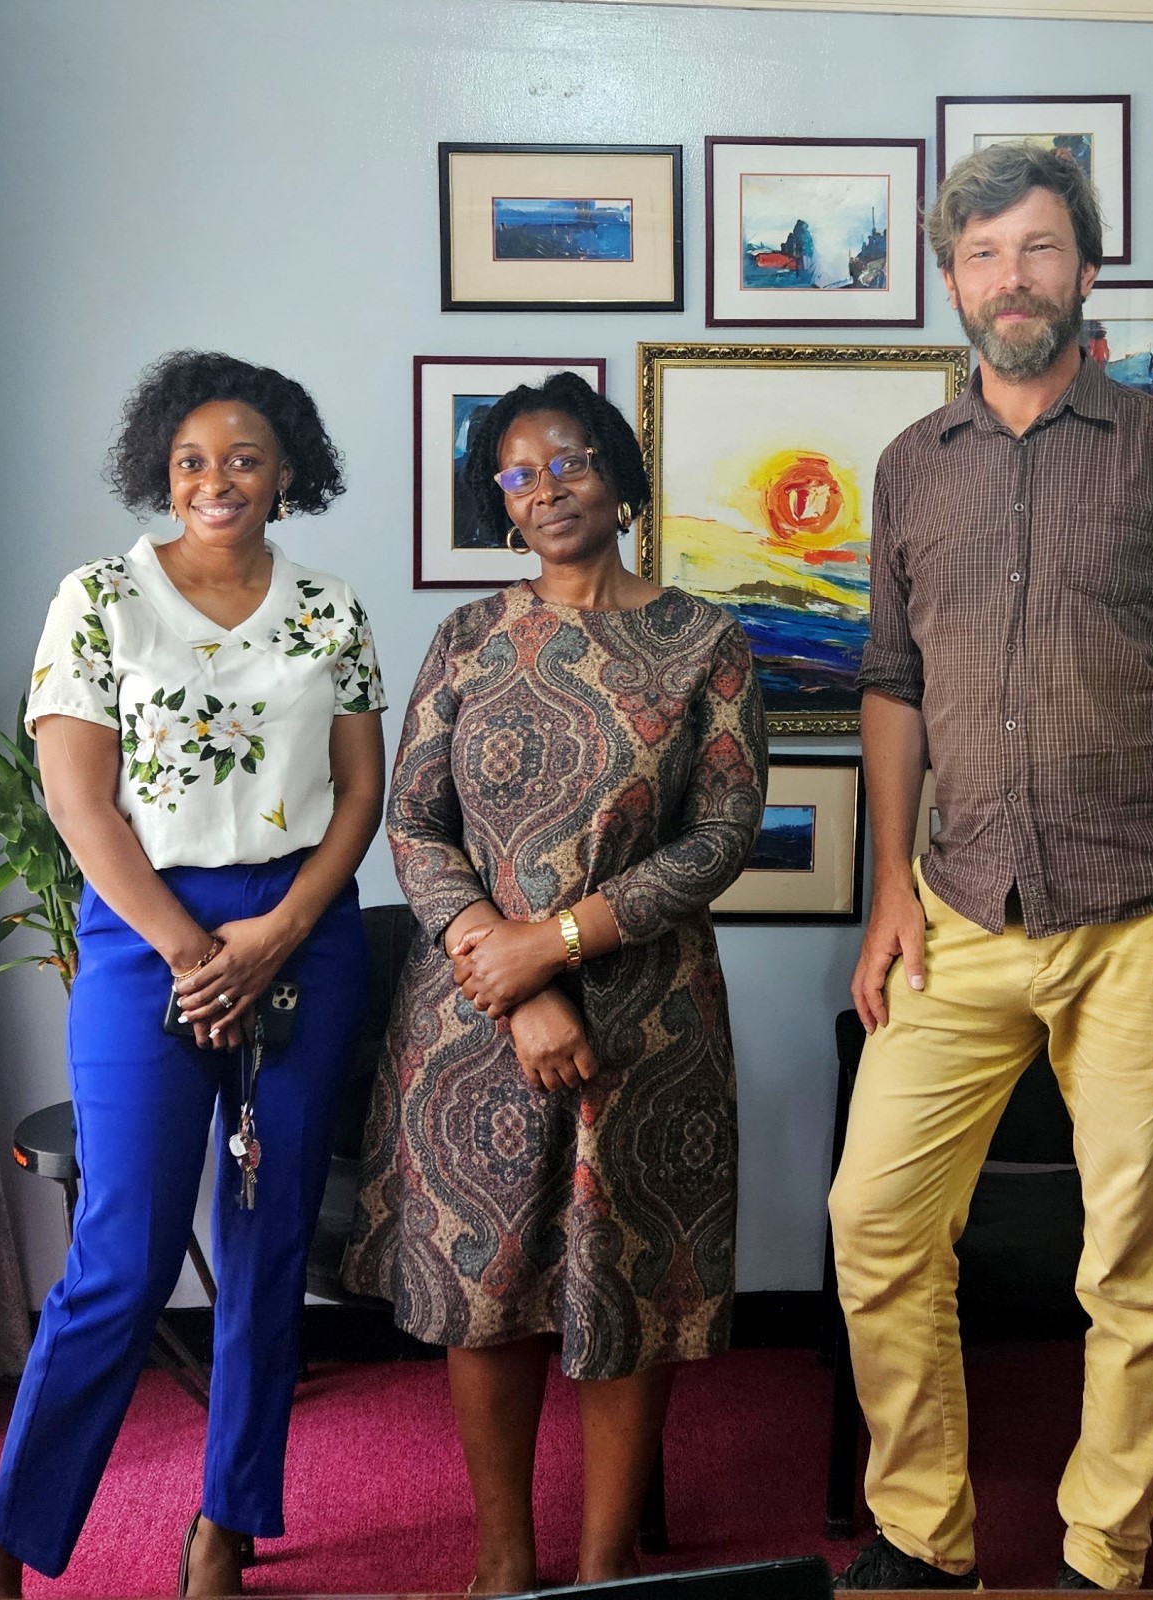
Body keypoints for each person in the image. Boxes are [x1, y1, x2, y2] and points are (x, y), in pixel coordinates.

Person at [828, 145, 1153, 1593]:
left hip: (1146, 916)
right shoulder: (913, 467)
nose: (1009, 278)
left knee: (1136, 1262)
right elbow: (891, 687)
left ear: (1086, 271)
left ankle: (1104, 1552)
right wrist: (889, 890)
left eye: (1037, 249)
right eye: (981, 255)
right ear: (950, 282)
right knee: (877, 1223)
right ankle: (923, 1533)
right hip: (961, 912)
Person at [0, 352, 387, 1598]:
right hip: (147, 937)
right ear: (161, 466)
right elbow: (77, 805)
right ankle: (8, 1532)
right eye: (193, 458)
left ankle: (226, 1522)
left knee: (267, 1243)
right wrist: (199, 953)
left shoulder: (331, 609)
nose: (217, 479)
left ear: (287, 472)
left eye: (244, 457)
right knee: (125, 1252)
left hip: (302, 932)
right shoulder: (97, 599)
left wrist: (283, 931)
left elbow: (357, 793)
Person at [344, 371, 767, 1594]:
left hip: (652, 1020)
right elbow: (413, 823)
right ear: (499, 501)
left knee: (629, 1285)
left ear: (621, 474)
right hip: (475, 1021)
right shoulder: (468, 639)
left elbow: (724, 832)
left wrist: (563, 941)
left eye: (569, 459)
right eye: (518, 473)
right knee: (492, 1286)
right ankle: (503, 1567)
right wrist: (514, 972)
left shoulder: (707, 640)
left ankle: (602, 1574)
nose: (546, 486)